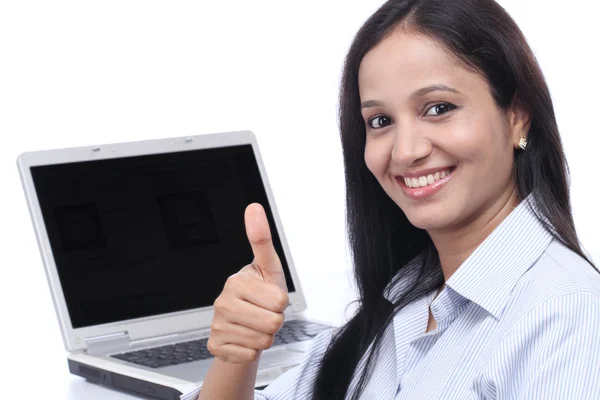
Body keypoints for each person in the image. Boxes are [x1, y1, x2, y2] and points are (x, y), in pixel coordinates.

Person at [197, 0, 600, 398]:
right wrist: (237, 357)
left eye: (439, 108)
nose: (405, 151)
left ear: (516, 117)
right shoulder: (401, 303)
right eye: (381, 121)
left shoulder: (567, 313)